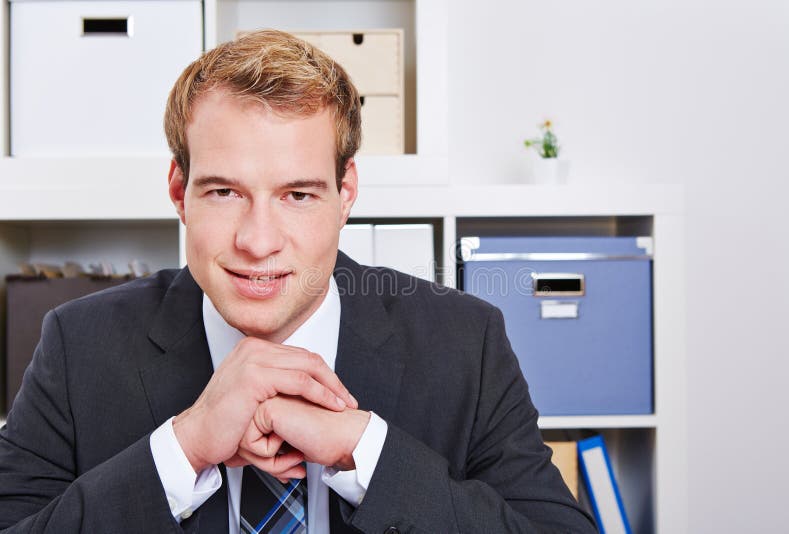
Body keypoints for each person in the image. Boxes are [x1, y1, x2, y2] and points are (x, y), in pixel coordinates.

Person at [0, 30, 596, 533]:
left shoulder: (466, 341)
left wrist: (367, 453)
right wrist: (181, 451)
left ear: (347, 195)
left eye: (298, 195)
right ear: (180, 192)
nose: (258, 242)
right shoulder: (78, 345)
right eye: (225, 192)